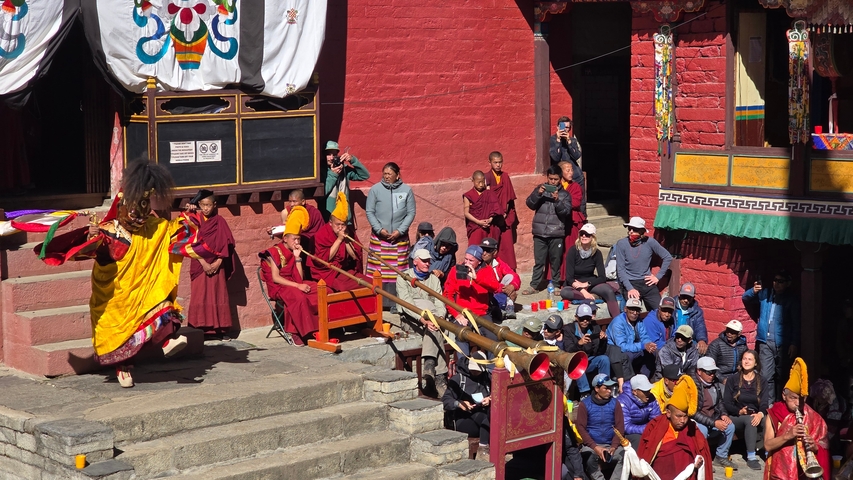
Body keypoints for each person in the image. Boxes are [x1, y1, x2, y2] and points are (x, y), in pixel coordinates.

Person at [39, 160, 194, 388]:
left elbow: (172, 233)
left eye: (142, 215)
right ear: (121, 206)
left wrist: (190, 217)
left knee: (160, 300)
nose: (137, 221)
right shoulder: (110, 231)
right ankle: (123, 368)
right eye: (133, 216)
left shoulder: (152, 226)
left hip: (142, 289)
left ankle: (166, 342)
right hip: (115, 296)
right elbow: (85, 251)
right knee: (119, 335)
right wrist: (92, 237)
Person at [764, 357, 831, 479]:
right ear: (784, 395)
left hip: (806, 474)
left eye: (801, 400)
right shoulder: (774, 413)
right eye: (793, 398)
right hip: (780, 473)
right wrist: (787, 436)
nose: (797, 404)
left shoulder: (814, 418)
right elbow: (767, 445)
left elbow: (824, 446)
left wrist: (815, 447)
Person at [637, 375, 713, 480]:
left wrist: (697, 463)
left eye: (685, 416)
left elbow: (702, 453)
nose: (682, 420)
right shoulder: (656, 425)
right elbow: (646, 453)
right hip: (659, 473)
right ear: (668, 413)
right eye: (678, 416)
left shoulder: (691, 428)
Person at [743, 269, 801, 402]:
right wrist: (754, 290)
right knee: (766, 376)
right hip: (765, 342)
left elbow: (796, 323)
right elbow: (745, 297)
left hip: (783, 343)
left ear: (788, 283)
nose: (777, 284)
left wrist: (794, 343)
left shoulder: (791, 300)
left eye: (781, 281)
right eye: (775, 281)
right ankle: (768, 406)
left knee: (782, 376)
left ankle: (780, 403)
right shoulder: (765, 294)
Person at [397, 248, 449, 398]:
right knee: (434, 329)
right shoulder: (403, 277)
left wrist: (439, 316)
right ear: (415, 261)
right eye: (424, 261)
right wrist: (423, 320)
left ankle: (429, 365)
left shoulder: (434, 279)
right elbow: (406, 303)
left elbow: (440, 302)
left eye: (429, 261)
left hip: (432, 318)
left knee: (434, 328)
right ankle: (439, 378)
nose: (428, 263)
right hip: (412, 319)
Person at [184, 189, 235, 338]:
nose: (206, 208)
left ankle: (220, 328)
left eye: (209, 205)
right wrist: (204, 264)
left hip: (217, 265)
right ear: (199, 204)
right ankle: (200, 327)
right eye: (203, 205)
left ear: (214, 205)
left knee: (217, 294)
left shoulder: (220, 221)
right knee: (200, 295)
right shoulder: (195, 220)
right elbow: (189, 244)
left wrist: (219, 262)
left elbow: (227, 244)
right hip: (200, 265)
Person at [259, 221, 319, 346]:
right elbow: (275, 278)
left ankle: (319, 327)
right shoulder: (274, 252)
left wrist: (297, 257)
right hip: (279, 287)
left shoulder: (293, 252)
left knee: (320, 290)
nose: (297, 242)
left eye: (299, 239)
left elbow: (299, 278)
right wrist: (298, 286)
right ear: (285, 239)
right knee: (298, 296)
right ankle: (295, 332)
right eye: (294, 239)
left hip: (293, 283)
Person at [366, 162, 417, 308]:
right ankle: (378, 302)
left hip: (398, 239)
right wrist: (378, 229)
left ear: (397, 175)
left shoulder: (406, 190)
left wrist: (400, 231)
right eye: (385, 174)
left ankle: (396, 303)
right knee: (379, 270)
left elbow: (411, 212)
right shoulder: (375, 190)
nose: (387, 176)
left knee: (398, 271)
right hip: (379, 237)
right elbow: (370, 211)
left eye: (390, 174)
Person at [522, 165, 572, 294]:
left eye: (555, 179)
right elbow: (529, 204)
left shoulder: (565, 195)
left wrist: (557, 201)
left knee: (555, 260)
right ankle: (534, 285)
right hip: (540, 231)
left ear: (560, 179)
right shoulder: (540, 190)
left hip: (556, 232)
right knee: (539, 261)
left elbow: (566, 212)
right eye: (550, 179)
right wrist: (538, 194)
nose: (552, 182)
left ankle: (555, 284)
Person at [443, 246, 502, 353]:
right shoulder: (456, 270)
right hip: (463, 312)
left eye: (471, 260)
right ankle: (462, 368)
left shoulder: (487, 270)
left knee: (492, 337)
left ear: (479, 262)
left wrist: (476, 278)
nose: (467, 262)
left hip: (481, 313)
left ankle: (491, 368)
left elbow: (495, 287)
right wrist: (457, 314)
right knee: (462, 335)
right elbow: (447, 295)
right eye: (466, 259)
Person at [310, 192, 368, 292]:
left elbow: (355, 256)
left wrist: (345, 239)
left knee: (369, 283)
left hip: (344, 270)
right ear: (330, 223)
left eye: (343, 225)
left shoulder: (348, 232)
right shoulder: (322, 235)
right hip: (328, 273)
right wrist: (339, 239)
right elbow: (325, 259)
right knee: (345, 289)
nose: (340, 228)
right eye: (337, 225)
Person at [722, 349, 769, 470]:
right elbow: (727, 403)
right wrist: (739, 411)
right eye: (744, 359)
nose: (746, 361)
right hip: (736, 415)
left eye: (750, 359)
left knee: (768, 420)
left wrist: (760, 414)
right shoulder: (733, 379)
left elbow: (764, 403)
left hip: (755, 414)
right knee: (750, 420)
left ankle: (769, 452)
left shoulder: (762, 381)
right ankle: (751, 457)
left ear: (756, 363)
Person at [561, 223, 620, 318]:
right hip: (574, 285)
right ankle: (593, 296)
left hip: (590, 283)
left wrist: (586, 284)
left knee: (608, 290)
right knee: (564, 292)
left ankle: (618, 320)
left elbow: (602, 277)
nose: (584, 236)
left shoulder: (597, 253)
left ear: (593, 237)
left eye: (587, 234)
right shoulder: (572, 251)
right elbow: (569, 278)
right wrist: (583, 291)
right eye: (582, 234)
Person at [614, 216, 673, 311]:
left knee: (660, 311)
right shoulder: (622, 244)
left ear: (642, 231)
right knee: (632, 312)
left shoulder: (650, 242)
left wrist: (657, 277)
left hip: (646, 282)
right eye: (629, 228)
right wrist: (630, 288)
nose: (631, 231)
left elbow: (667, 257)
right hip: (630, 282)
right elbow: (620, 269)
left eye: (635, 229)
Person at [575, 374, 625, 480]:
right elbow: (581, 428)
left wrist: (614, 446)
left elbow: (620, 427)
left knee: (625, 456)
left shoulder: (615, 403)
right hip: (592, 445)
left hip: (610, 444)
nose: (609, 391)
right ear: (597, 389)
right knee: (588, 458)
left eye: (610, 388)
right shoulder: (585, 405)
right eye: (606, 388)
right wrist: (595, 447)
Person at [442, 352, 492, 460]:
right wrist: (459, 404)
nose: (474, 372)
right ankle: (483, 450)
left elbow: (496, 394)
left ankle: (484, 449)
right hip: (463, 419)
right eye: (473, 369)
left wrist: (490, 398)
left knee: (489, 417)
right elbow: (446, 400)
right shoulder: (458, 379)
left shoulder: (487, 378)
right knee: (487, 420)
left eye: (477, 370)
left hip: (482, 414)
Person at [693, 357, 738, 471]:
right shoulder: (693, 386)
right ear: (699, 371)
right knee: (702, 430)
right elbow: (694, 413)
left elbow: (720, 402)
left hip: (712, 418)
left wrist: (723, 414)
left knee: (730, 426)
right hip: (697, 420)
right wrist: (714, 423)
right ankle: (702, 460)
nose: (712, 375)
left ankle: (721, 456)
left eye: (713, 372)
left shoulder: (715, 383)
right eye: (708, 372)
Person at [563, 304, 613, 397]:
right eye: (582, 318)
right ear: (576, 317)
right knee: (578, 363)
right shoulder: (569, 329)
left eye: (588, 318)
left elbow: (599, 352)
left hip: (590, 360)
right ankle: (585, 393)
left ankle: (604, 386)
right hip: (575, 361)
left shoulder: (594, 328)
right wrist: (579, 343)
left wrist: (603, 340)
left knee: (604, 359)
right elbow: (568, 350)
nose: (585, 321)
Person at [483, 151, 518, 270]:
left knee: (507, 245)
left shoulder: (505, 177)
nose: (498, 165)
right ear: (490, 162)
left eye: (500, 162)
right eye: (495, 162)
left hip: (504, 216)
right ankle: (493, 269)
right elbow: (486, 198)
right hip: (492, 217)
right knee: (493, 243)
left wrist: (505, 212)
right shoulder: (486, 177)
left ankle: (508, 269)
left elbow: (508, 197)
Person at [607, 298, 655, 378]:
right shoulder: (618, 323)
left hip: (632, 347)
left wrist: (648, 344)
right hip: (616, 351)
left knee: (651, 353)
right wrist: (642, 346)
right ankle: (628, 381)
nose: (635, 313)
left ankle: (643, 378)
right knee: (627, 356)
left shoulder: (639, 321)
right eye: (632, 310)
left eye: (637, 310)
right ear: (626, 309)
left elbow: (644, 336)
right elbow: (621, 346)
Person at [322, 141, 369, 222]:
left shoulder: (344, 169)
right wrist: (333, 175)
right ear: (323, 155)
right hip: (329, 218)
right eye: (328, 154)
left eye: (334, 155)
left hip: (345, 217)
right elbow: (323, 192)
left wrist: (353, 160)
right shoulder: (321, 171)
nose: (332, 158)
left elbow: (364, 175)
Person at [548, 116, 586, 215]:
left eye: (567, 128)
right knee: (564, 200)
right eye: (563, 127)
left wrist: (569, 142)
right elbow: (555, 157)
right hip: (562, 177)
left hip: (576, 176)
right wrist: (558, 141)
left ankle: (583, 222)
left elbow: (577, 155)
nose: (565, 129)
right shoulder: (552, 140)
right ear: (557, 127)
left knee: (580, 202)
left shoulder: (572, 140)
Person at [479, 237, 520, 318]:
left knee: (510, 277)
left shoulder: (498, 263)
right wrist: (504, 289)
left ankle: (506, 305)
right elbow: (487, 283)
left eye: (488, 250)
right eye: (482, 249)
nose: (484, 253)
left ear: (494, 252)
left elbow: (515, 276)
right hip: (487, 292)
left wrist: (512, 286)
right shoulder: (479, 263)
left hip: (497, 291)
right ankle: (505, 305)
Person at [617, 374, 661, 450]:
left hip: (647, 428)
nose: (648, 394)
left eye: (648, 390)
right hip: (627, 434)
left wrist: (653, 428)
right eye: (645, 391)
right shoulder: (623, 401)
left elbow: (657, 418)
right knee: (639, 439)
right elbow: (625, 426)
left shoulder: (651, 398)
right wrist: (646, 429)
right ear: (635, 391)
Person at [463, 170, 503, 247]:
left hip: (489, 227)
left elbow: (496, 209)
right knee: (475, 249)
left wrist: (490, 219)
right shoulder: (468, 195)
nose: (481, 185)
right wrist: (479, 222)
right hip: (476, 227)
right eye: (478, 182)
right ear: (473, 180)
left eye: (482, 182)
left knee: (489, 251)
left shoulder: (489, 193)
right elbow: (466, 213)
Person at [672, 283, 709, 355]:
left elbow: (700, 327)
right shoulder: (671, 306)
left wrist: (702, 340)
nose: (686, 300)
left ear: (693, 297)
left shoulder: (697, 311)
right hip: (673, 339)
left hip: (688, 341)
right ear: (679, 294)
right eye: (684, 296)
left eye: (689, 298)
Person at [643, 296, 676, 374]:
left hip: (666, 346)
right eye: (664, 311)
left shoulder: (671, 319)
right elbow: (655, 343)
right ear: (659, 309)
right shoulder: (650, 321)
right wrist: (673, 345)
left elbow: (675, 333)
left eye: (670, 312)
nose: (667, 314)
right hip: (649, 349)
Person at [557, 160, 586, 250]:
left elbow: (576, 202)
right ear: (561, 172)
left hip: (572, 220)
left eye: (572, 170)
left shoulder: (575, 186)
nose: (571, 173)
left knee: (571, 248)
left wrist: (558, 200)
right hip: (558, 221)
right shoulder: (556, 185)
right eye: (567, 170)